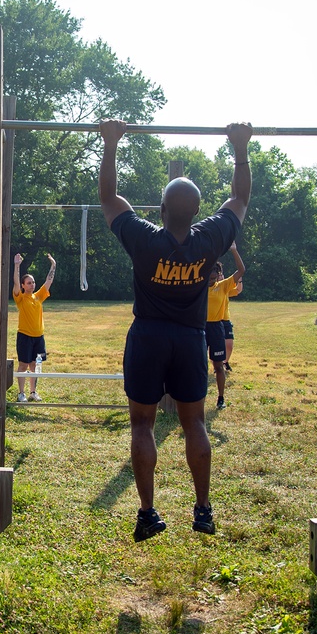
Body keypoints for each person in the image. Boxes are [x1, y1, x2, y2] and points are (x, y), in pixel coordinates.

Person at [98, 118, 252, 541]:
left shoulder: (145, 239)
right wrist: (239, 147)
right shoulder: (210, 240)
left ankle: (147, 513)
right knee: (194, 424)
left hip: (148, 337)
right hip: (189, 339)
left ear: (162, 211)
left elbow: (109, 196)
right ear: (198, 212)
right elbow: (239, 196)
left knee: (142, 425)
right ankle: (203, 510)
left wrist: (111, 143)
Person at [12, 252, 56, 401]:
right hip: (24, 336)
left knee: (35, 366)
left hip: (39, 337)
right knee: (23, 365)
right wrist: (17, 265)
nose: (32, 284)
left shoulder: (38, 296)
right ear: (24, 286)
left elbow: (48, 282)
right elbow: (16, 283)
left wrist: (53, 265)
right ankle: (21, 393)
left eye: (33, 282)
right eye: (29, 283)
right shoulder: (20, 297)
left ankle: (33, 392)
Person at [206, 243, 245, 409]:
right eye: (210, 276)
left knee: (218, 366)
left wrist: (234, 251)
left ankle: (220, 398)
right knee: (197, 365)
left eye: (215, 276)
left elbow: (241, 271)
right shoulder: (197, 287)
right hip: (199, 328)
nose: (212, 279)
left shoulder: (222, 287)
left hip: (216, 328)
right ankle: (194, 399)